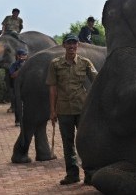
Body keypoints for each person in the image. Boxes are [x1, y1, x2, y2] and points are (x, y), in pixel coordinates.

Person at [46, 33, 98, 185]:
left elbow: (97, 80)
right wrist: (52, 110)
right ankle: (72, 174)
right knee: (68, 144)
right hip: (64, 110)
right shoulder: (55, 64)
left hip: (82, 109)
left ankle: (90, 174)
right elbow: (52, 89)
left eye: (74, 43)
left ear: (78, 45)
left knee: (85, 142)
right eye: (69, 43)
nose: (71, 46)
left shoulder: (85, 62)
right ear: (64, 45)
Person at [8, 49, 28, 126]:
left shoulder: (28, 63)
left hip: (26, 87)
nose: (24, 56)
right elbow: (12, 75)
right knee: (18, 105)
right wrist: (21, 69)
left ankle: (26, 120)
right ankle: (18, 121)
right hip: (17, 87)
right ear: (18, 56)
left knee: (27, 104)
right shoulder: (14, 65)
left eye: (25, 55)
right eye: (23, 55)